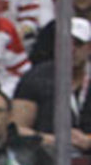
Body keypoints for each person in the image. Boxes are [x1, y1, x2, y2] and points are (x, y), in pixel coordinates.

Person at [12, 17, 91, 155]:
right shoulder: (35, 77)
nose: (71, 50)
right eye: (66, 43)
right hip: (46, 154)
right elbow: (17, 127)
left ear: (89, 47)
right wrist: (53, 140)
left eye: (78, 44)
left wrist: (88, 141)